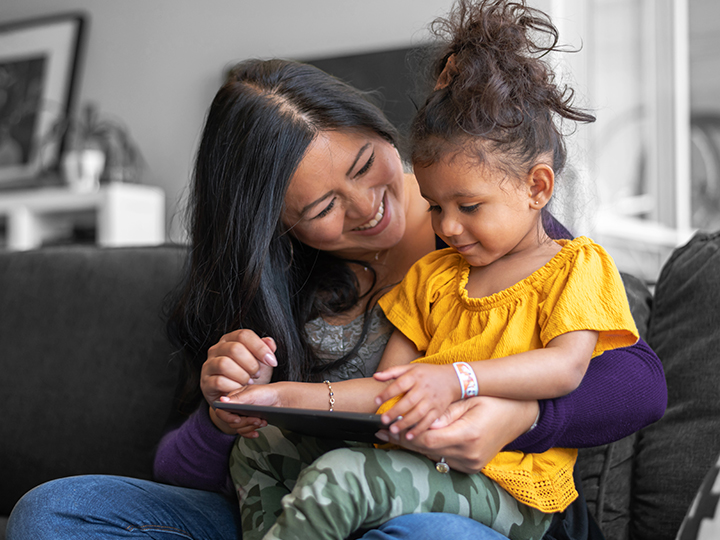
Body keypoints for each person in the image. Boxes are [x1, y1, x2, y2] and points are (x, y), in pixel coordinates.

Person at [6, 7, 667, 540]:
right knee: (56, 512)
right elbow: (182, 468)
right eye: (322, 207)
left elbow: (637, 384)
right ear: (276, 228)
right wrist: (226, 409)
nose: (367, 207)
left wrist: (514, 415)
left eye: (364, 166)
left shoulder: (489, 221)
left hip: (447, 507)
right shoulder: (277, 285)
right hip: (295, 510)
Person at [224, 2, 640, 539]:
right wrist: (280, 397)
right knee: (258, 446)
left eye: (468, 207)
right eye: (435, 206)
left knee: (343, 477)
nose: (449, 226)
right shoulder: (434, 277)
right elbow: (384, 391)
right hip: (422, 459)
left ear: (537, 188)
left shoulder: (576, 264)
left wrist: (459, 380)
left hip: (510, 485)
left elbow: (565, 370)